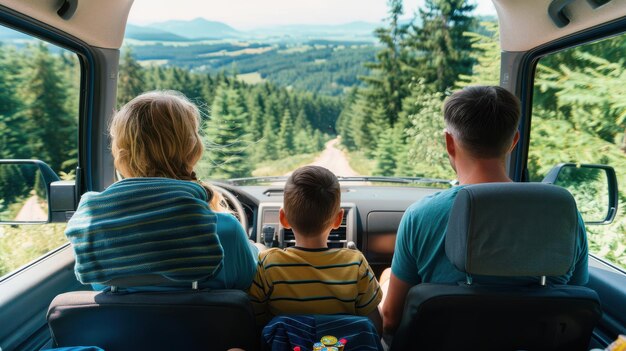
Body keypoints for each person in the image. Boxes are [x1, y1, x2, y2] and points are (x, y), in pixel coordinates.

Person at [380, 86, 589, 334]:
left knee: (387, 274)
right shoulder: (563, 215)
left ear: (449, 142)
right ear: (513, 141)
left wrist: (384, 284)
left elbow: (391, 320)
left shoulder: (420, 216)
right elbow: (574, 299)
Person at [66, 90, 258, 290]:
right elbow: (248, 283)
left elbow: (99, 288)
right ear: (193, 150)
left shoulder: (96, 234)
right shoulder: (224, 229)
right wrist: (256, 249)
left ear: (121, 154)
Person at [248, 165, 383, 330]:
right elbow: (374, 325)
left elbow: (257, 321)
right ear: (338, 219)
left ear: (283, 218)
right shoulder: (356, 264)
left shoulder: (267, 264)